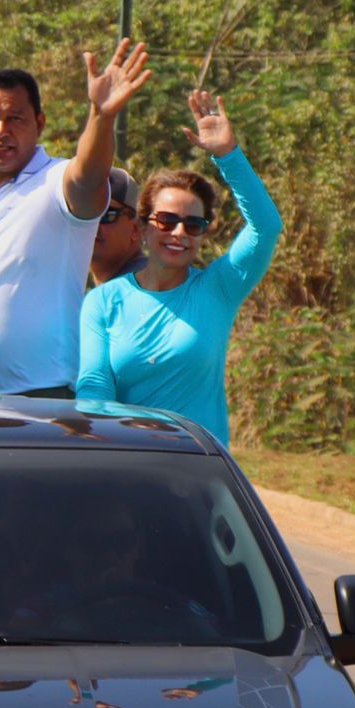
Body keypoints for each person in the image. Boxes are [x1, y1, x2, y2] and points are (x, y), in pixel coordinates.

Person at [0, 41, 151, 396]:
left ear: (39, 123)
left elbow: (89, 176)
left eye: (15, 119)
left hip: (41, 395)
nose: (1, 130)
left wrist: (102, 115)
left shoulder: (58, 181)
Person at [76, 92, 283, 446]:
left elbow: (266, 227)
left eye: (193, 225)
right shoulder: (104, 301)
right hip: (129, 462)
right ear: (142, 228)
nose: (178, 233)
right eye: (167, 221)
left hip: (198, 468)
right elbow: (94, 387)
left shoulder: (218, 289)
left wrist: (227, 156)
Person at [90, 166, 146, 286]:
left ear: (136, 229)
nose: (91, 223)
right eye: (83, 212)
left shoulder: (145, 286)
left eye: (106, 214)